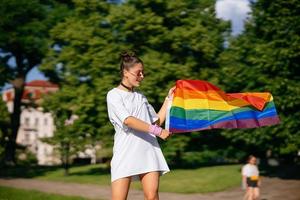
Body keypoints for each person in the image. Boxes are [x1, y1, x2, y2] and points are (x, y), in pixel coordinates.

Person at [106, 51, 174, 200]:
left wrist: (168, 99)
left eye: (143, 72)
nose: (142, 76)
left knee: (152, 197)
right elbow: (128, 120)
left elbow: (156, 121)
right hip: (125, 153)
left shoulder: (141, 97)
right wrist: (158, 131)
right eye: (138, 73)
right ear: (125, 72)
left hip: (148, 150)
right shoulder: (113, 95)